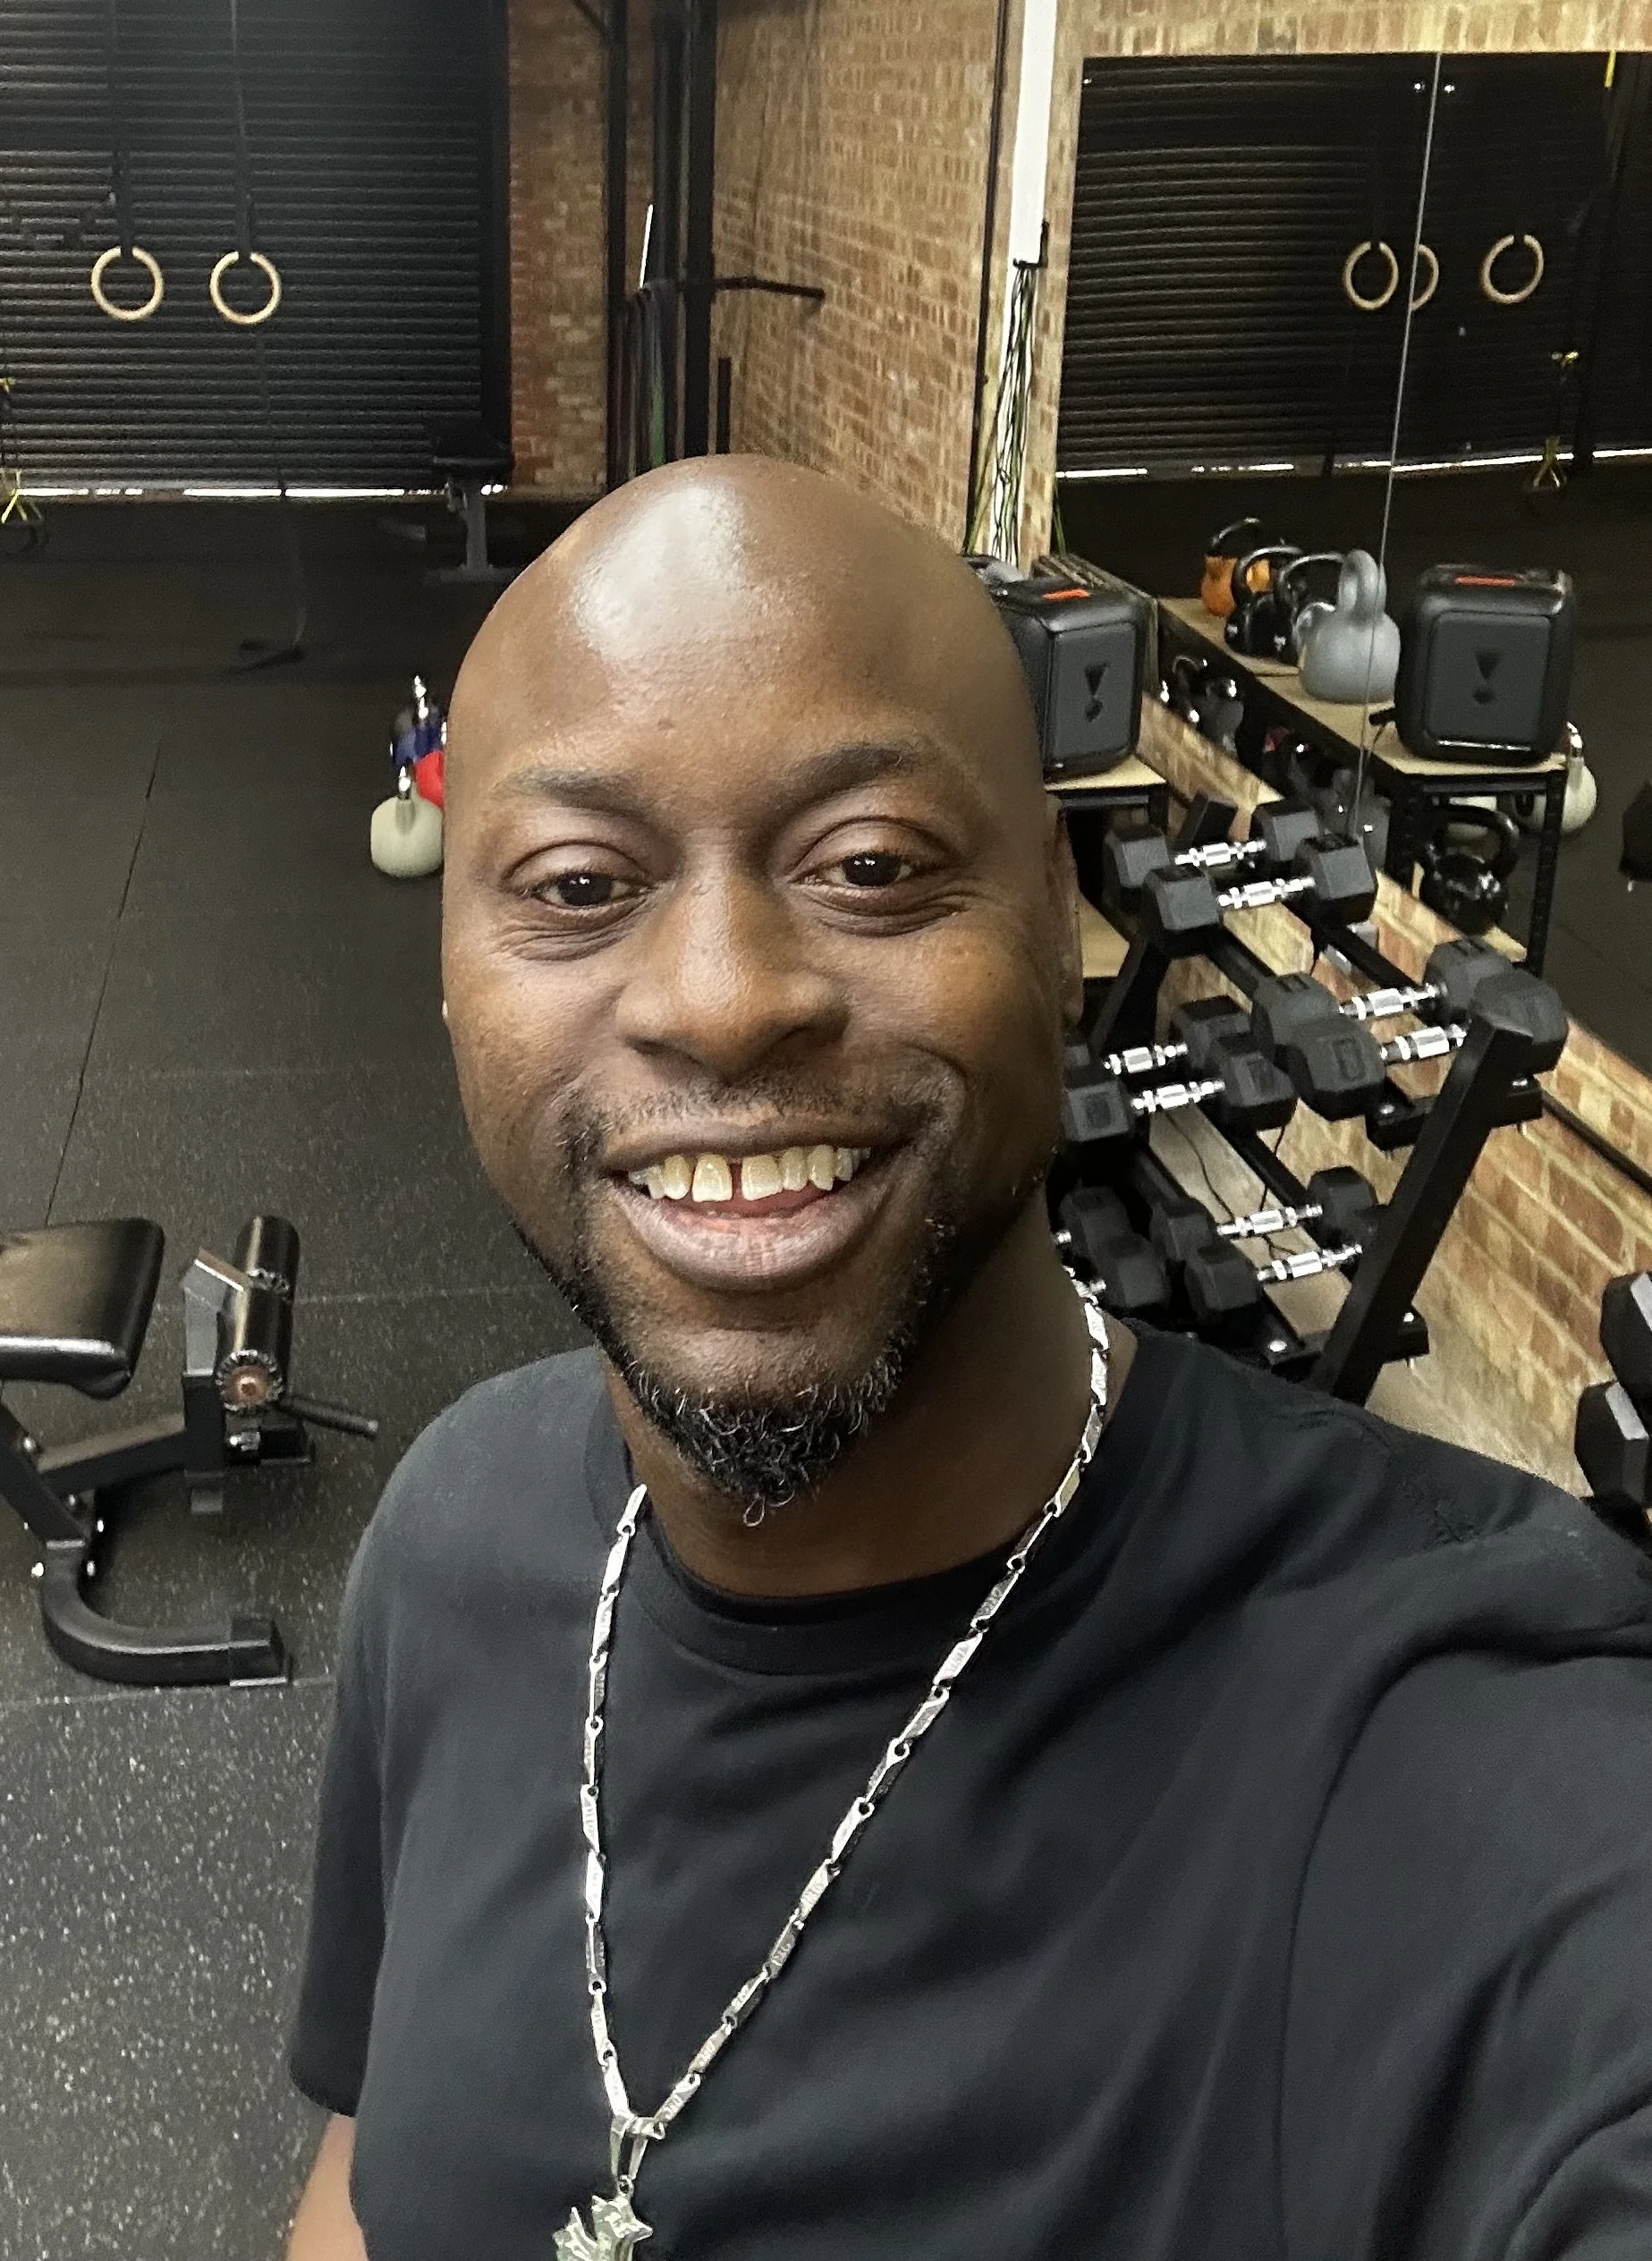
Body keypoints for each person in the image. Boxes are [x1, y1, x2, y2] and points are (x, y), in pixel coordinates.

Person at [286, 458, 1652, 2261]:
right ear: (456, 970)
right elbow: (371, 2183)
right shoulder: (452, 1538)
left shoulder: (1469, 1748)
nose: (716, 994)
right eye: (575, 881)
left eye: (867, 864)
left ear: (1061, 910)